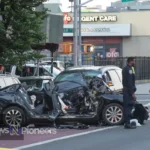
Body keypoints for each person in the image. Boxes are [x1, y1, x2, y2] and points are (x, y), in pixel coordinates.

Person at [122, 57, 137, 129]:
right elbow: (129, 82)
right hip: (128, 91)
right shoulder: (129, 69)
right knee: (128, 107)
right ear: (131, 61)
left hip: (126, 91)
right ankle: (127, 123)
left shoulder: (126, 68)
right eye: (134, 61)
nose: (135, 63)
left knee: (128, 106)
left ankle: (127, 122)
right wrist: (132, 93)